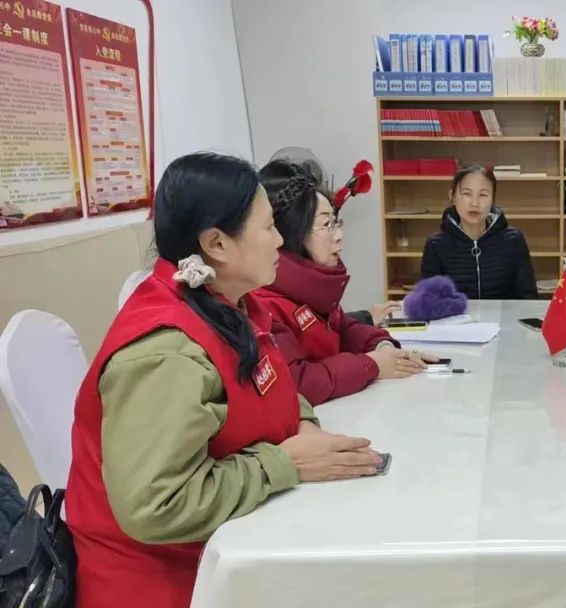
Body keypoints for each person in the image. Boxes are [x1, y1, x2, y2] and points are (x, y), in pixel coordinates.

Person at [65, 153, 385, 608]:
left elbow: (275, 383)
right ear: (216, 243)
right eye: (269, 227)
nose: (281, 240)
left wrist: (303, 425)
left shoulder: (231, 301)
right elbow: (156, 505)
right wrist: (283, 464)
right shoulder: (167, 355)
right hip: (170, 584)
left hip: (232, 546)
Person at [256, 160, 437, 406]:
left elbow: (344, 327)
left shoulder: (311, 287)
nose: (339, 236)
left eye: (336, 222)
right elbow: (296, 381)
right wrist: (371, 365)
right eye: (326, 225)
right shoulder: (265, 303)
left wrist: (381, 346)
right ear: (291, 234)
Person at [421, 165, 538, 299]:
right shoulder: (435, 244)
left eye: (483, 195)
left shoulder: (514, 240)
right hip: (455, 313)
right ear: (452, 197)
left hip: (503, 313)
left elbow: (528, 296)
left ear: (493, 199)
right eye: (467, 194)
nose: (474, 203)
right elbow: (429, 300)